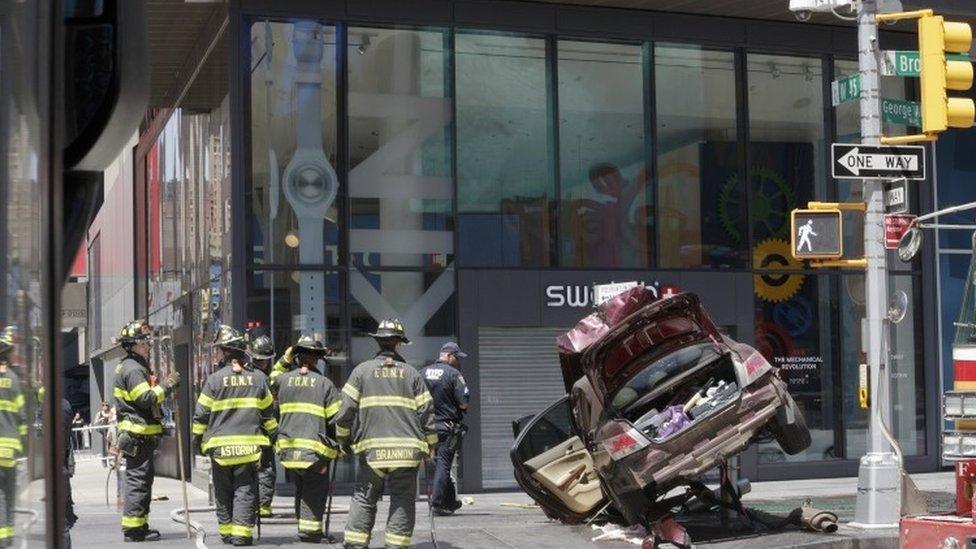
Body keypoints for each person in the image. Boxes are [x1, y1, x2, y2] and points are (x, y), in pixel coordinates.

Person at [333, 318, 437, 549]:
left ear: (379, 343)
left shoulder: (361, 372)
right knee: (402, 498)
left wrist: (344, 440)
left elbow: (345, 410)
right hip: (406, 452)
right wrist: (431, 444)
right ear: (399, 344)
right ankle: (396, 545)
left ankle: (355, 544)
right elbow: (427, 413)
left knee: (364, 497)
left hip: (373, 452)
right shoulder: (412, 375)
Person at [192, 325, 277, 547]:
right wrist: (272, 440)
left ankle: (227, 532)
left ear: (225, 351)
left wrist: (196, 443)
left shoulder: (213, 380)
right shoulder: (259, 379)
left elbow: (201, 415)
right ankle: (241, 534)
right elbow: (268, 416)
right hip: (249, 449)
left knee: (223, 491)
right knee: (244, 490)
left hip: (220, 450)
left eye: (220, 349)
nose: (218, 352)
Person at [113, 319, 180, 542]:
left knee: (141, 481)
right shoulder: (133, 369)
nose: (148, 345)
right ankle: (134, 530)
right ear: (132, 345)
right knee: (138, 482)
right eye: (144, 342)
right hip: (138, 435)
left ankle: (139, 526)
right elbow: (145, 398)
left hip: (139, 435)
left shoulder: (133, 366)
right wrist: (168, 385)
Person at [275, 334, 341, 542]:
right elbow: (335, 420)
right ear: (314, 359)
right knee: (314, 489)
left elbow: (267, 382)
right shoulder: (324, 384)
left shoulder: (282, 380)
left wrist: (284, 361)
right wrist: (338, 446)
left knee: (301, 487)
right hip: (314, 452)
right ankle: (310, 531)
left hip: (289, 452)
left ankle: (304, 525)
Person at [419, 342, 470, 516]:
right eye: (456, 357)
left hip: (425, 427)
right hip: (447, 426)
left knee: (441, 465)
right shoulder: (454, 374)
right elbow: (464, 403)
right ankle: (437, 502)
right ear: (448, 356)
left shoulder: (422, 373)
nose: (457, 361)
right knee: (444, 464)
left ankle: (450, 501)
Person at [245, 333, 278, 519]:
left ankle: (251, 505)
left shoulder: (247, 374)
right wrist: (275, 434)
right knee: (265, 470)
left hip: (246, 431)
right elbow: (268, 410)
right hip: (262, 433)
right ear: (266, 360)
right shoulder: (262, 379)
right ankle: (263, 507)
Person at [0, 327, 24, 548]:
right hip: (8, 450)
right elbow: (22, 416)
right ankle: (5, 535)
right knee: (7, 493)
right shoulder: (12, 379)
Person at [93, 401, 116, 467]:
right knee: (103, 447)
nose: (105, 406)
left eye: (106, 405)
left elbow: (112, 421)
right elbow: (95, 423)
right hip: (102, 432)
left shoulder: (111, 412)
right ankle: (104, 461)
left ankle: (111, 461)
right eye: (103, 405)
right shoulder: (99, 413)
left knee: (111, 446)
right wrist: (101, 419)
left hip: (110, 431)